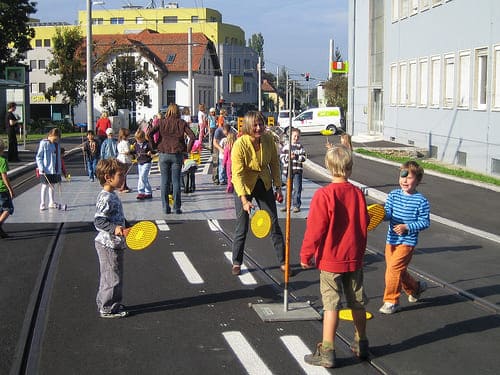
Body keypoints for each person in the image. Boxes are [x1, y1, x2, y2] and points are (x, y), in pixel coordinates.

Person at [301, 145, 370, 368]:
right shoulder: (358, 194)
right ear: (350, 168)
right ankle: (362, 342)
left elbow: (315, 229)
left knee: (331, 304)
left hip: (331, 259)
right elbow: (366, 221)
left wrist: (306, 254)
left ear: (329, 167)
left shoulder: (324, 195)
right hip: (355, 258)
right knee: (357, 302)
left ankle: (328, 350)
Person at [230, 111, 285, 276]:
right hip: (244, 186)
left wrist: (278, 187)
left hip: (264, 182)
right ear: (247, 126)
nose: (259, 128)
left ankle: (283, 261)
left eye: (261, 124)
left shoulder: (268, 139)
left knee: (273, 223)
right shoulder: (240, 145)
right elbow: (237, 175)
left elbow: (274, 164)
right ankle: (237, 261)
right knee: (242, 225)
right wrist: (244, 200)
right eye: (255, 125)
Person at [379, 160, 431, 314]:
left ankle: (391, 301)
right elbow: (388, 213)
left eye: (409, 178)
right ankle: (416, 288)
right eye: (402, 177)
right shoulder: (393, 195)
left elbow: (424, 222)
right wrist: (381, 215)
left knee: (394, 269)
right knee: (396, 271)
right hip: (392, 240)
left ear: (418, 180)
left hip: (407, 242)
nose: (404, 180)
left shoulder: (421, 201)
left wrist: (407, 226)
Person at [94, 158, 130, 319]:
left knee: (112, 275)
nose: (123, 178)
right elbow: (99, 220)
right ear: (108, 177)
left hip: (114, 243)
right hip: (107, 244)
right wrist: (116, 229)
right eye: (120, 175)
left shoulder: (111, 194)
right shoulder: (106, 197)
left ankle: (108, 302)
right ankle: (107, 307)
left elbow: (116, 217)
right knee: (112, 277)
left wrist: (126, 225)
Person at [148, 103, 195, 215]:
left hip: (163, 153)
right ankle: (176, 207)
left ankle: (165, 207)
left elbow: (149, 133)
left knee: (164, 181)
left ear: (168, 111)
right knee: (176, 181)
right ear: (178, 111)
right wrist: (186, 150)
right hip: (177, 154)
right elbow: (192, 137)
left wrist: (154, 146)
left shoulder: (161, 122)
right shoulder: (181, 123)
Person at [280, 127, 307, 213]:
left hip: (297, 171)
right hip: (288, 170)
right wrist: (288, 157)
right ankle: (287, 205)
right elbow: (282, 158)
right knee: (289, 188)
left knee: (297, 188)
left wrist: (296, 157)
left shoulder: (300, 147)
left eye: (298, 136)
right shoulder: (286, 147)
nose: (296, 138)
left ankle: (296, 205)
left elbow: (304, 158)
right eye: (294, 136)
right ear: (290, 136)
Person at [36, 128, 63, 211]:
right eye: (55, 138)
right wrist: (41, 167)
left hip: (54, 169)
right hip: (45, 169)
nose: (56, 140)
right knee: (45, 186)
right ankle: (42, 203)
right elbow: (39, 157)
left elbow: (58, 157)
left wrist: (59, 170)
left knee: (52, 186)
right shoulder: (44, 143)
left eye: (57, 139)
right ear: (51, 135)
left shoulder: (57, 145)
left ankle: (51, 202)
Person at [0, 139, 15, 238]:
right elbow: (4, 176)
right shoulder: (2, 160)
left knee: (0, 210)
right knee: (8, 208)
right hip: (2, 189)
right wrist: (10, 189)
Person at [134, 129, 153, 200]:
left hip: (147, 162)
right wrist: (134, 154)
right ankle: (148, 192)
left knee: (142, 177)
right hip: (140, 162)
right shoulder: (136, 144)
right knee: (143, 178)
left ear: (143, 138)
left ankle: (141, 192)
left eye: (139, 139)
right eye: (137, 139)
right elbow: (134, 152)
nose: (138, 141)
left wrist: (150, 152)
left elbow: (153, 150)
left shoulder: (147, 143)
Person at [116, 128, 132, 193]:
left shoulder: (119, 142)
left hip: (120, 158)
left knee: (122, 173)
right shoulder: (126, 142)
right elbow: (127, 151)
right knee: (124, 174)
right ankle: (122, 187)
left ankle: (124, 186)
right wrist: (131, 151)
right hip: (124, 159)